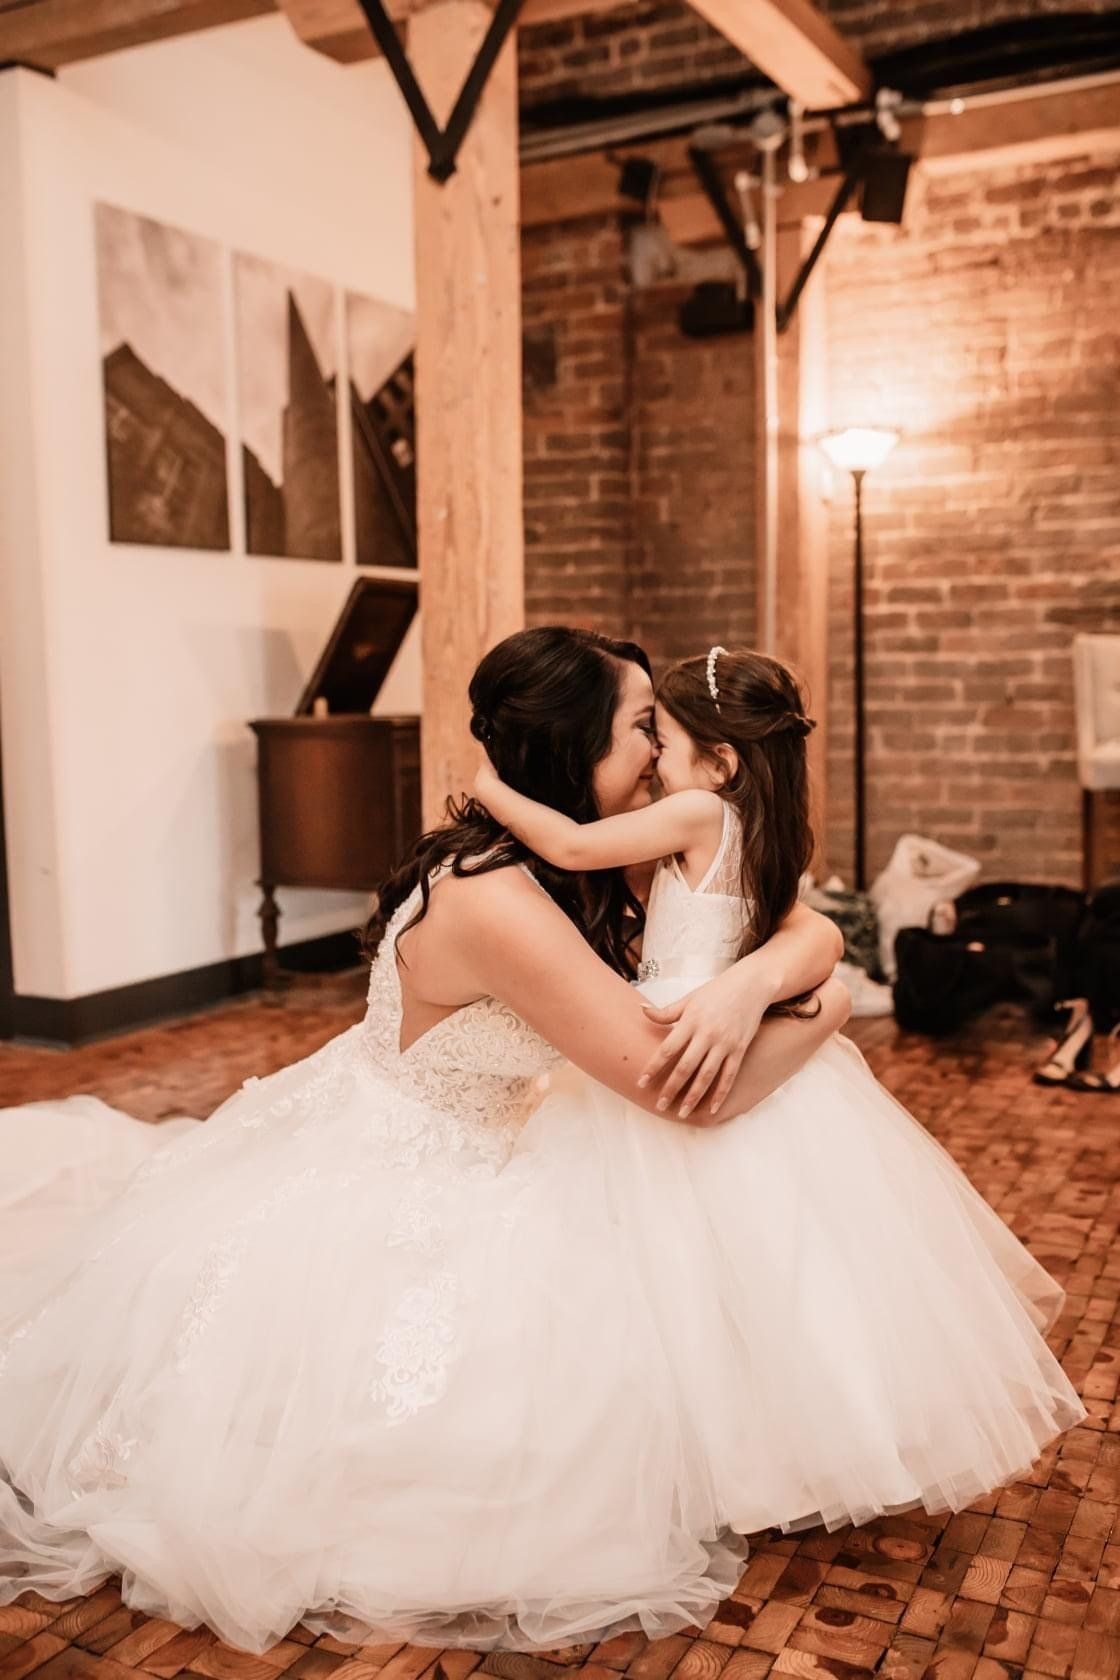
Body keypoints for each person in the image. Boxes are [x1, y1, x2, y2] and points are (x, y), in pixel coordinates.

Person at [0, 627, 847, 1657]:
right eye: (640, 731)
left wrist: (770, 974)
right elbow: (684, 1096)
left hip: (503, 1126)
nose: (660, 754)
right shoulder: (501, 901)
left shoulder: (601, 850)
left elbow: (780, 909)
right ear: (573, 752)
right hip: (407, 1169)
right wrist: (830, 1012)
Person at [474, 642, 1087, 1545]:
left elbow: (570, 844)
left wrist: (484, 785)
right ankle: (804, 1442)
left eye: (666, 739)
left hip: (675, 1036)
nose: (654, 757)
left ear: (718, 762)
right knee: (781, 1266)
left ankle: (700, 1452)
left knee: (682, 1262)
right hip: (754, 1055)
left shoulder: (691, 813)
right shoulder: (767, 831)